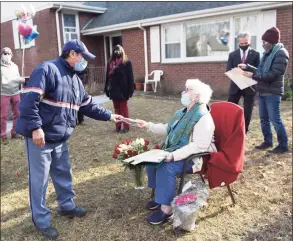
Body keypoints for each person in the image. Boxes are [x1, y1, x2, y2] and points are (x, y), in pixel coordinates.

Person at [15, 40, 122, 240]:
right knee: (40, 181)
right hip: (41, 139)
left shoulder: (75, 80)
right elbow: (29, 101)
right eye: (82, 57)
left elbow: (87, 105)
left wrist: (110, 116)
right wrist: (36, 128)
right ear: (72, 54)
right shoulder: (47, 70)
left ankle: (67, 206)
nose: (84, 62)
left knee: (64, 173)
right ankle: (41, 220)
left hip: (60, 138)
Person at [136, 79, 217, 225]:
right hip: (175, 151)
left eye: (187, 90)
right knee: (152, 161)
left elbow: (199, 146)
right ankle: (159, 198)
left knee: (166, 167)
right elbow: (168, 128)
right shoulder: (182, 113)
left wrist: (172, 156)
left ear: (197, 96)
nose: (183, 93)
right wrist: (148, 125)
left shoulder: (203, 117)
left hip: (193, 158)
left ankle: (166, 209)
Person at [239, 27, 289, 154]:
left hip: (273, 92)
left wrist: (253, 76)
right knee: (263, 118)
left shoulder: (281, 53)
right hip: (262, 91)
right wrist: (248, 67)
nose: (263, 44)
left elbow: (273, 74)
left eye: (265, 42)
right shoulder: (268, 53)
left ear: (272, 41)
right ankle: (268, 141)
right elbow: (261, 70)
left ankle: (283, 145)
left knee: (275, 119)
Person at [227, 32, 260, 134]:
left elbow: (258, 70)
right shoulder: (232, 55)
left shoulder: (256, 54)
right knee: (231, 108)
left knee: (248, 109)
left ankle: (244, 130)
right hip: (235, 85)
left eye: (246, 43)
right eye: (241, 44)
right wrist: (239, 73)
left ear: (249, 41)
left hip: (250, 87)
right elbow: (229, 69)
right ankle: (230, 128)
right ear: (238, 42)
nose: (244, 45)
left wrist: (250, 73)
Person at [104, 44, 134, 134]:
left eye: (119, 51)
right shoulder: (110, 64)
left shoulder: (127, 63)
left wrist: (131, 89)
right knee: (117, 110)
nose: (117, 53)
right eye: (115, 51)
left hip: (123, 90)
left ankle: (126, 127)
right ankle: (117, 126)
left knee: (123, 109)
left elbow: (130, 77)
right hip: (113, 90)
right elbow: (107, 77)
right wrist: (106, 88)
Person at [0, 47, 25, 144]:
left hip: (15, 92)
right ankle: (3, 135)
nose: (7, 55)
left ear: (11, 55)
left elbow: (17, 78)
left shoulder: (15, 66)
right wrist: (17, 79)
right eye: (5, 53)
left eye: (9, 53)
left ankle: (15, 132)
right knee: (3, 116)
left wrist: (21, 80)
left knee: (18, 114)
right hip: (3, 94)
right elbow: (5, 81)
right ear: (1, 55)